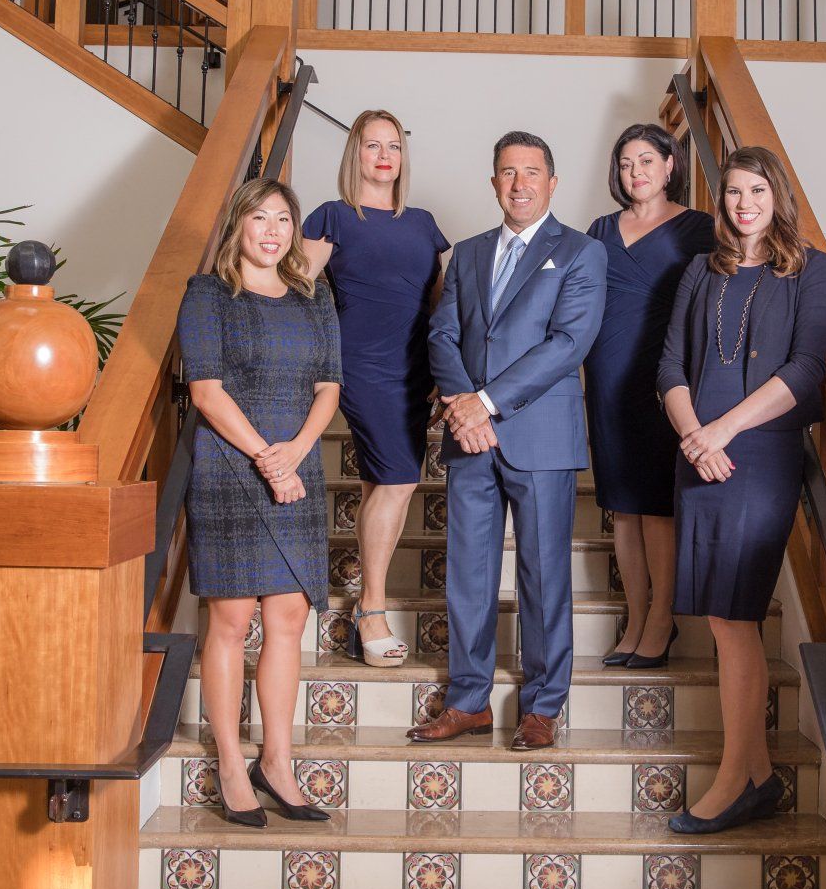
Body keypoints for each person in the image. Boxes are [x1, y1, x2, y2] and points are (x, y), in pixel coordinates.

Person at [656, 146, 826, 833]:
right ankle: (756, 775)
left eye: (755, 190)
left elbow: (807, 366)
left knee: (737, 617)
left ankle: (735, 779)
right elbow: (671, 361)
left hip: (758, 456)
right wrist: (694, 434)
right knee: (723, 621)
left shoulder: (811, 270)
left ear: (777, 194)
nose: (743, 203)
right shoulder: (702, 269)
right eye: (732, 191)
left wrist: (721, 431)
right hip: (698, 456)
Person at [409, 131, 607, 752]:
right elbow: (442, 335)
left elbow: (567, 344)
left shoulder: (579, 252)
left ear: (552, 181)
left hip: (540, 435)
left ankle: (542, 705)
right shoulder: (465, 255)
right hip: (470, 438)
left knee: (544, 575)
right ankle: (468, 700)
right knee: (467, 573)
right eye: (507, 172)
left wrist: (485, 402)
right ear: (492, 181)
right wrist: (464, 408)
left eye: (531, 172)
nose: (518, 183)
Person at [177, 177, 343, 828]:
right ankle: (228, 760)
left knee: (289, 619)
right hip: (228, 464)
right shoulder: (208, 294)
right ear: (237, 225)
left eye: (283, 219)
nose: (272, 230)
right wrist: (265, 458)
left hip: (296, 465)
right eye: (260, 217)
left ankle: (277, 760)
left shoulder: (314, 296)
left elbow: (329, 388)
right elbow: (207, 392)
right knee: (230, 617)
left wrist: (295, 451)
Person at [302, 109, 450, 667]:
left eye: (393, 145)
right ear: (354, 154)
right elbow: (297, 287)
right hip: (361, 364)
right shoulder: (334, 217)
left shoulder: (424, 223)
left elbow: (441, 302)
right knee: (399, 480)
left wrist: (445, 373)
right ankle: (372, 609)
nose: (384, 155)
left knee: (378, 485)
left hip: (416, 368)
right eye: (371, 146)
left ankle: (366, 605)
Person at [584, 123, 715, 669]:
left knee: (658, 507)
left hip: (664, 375)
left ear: (669, 166)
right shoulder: (599, 227)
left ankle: (663, 620)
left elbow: (713, 302)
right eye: (625, 164)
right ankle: (635, 619)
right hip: (606, 374)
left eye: (645, 161)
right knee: (622, 508)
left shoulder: (698, 227)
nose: (634, 172)